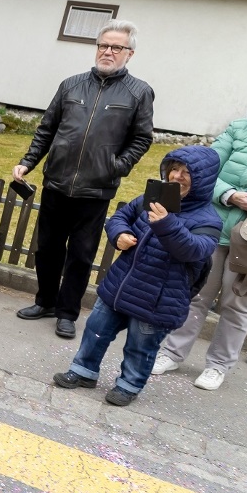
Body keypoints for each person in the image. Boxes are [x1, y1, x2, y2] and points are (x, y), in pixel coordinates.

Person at [12, 19, 154, 340]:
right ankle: (45, 301)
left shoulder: (139, 92)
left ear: (129, 53)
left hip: (96, 189)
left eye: (115, 47)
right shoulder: (71, 85)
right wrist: (27, 163)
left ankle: (67, 313)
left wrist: (115, 166)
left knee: (80, 255)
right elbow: (47, 129)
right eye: (103, 45)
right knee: (47, 249)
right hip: (56, 183)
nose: (107, 52)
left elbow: (142, 139)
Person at [53, 146, 222, 406]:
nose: (177, 176)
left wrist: (166, 223)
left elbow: (194, 250)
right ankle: (83, 371)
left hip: (159, 297)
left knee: (140, 347)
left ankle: (129, 385)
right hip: (121, 284)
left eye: (187, 172)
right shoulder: (152, 196)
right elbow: (121, 215)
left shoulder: (208, 219)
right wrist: (118, 234)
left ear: (203, 180)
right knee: (96, 330)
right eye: (174, 169)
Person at [152, 81, 247, 390]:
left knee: (238, 306)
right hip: (214, 227)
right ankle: (171, 352)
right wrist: (229, 195)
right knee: (196, 295)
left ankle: (218, 365)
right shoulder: (238, 130)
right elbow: (205, 171)